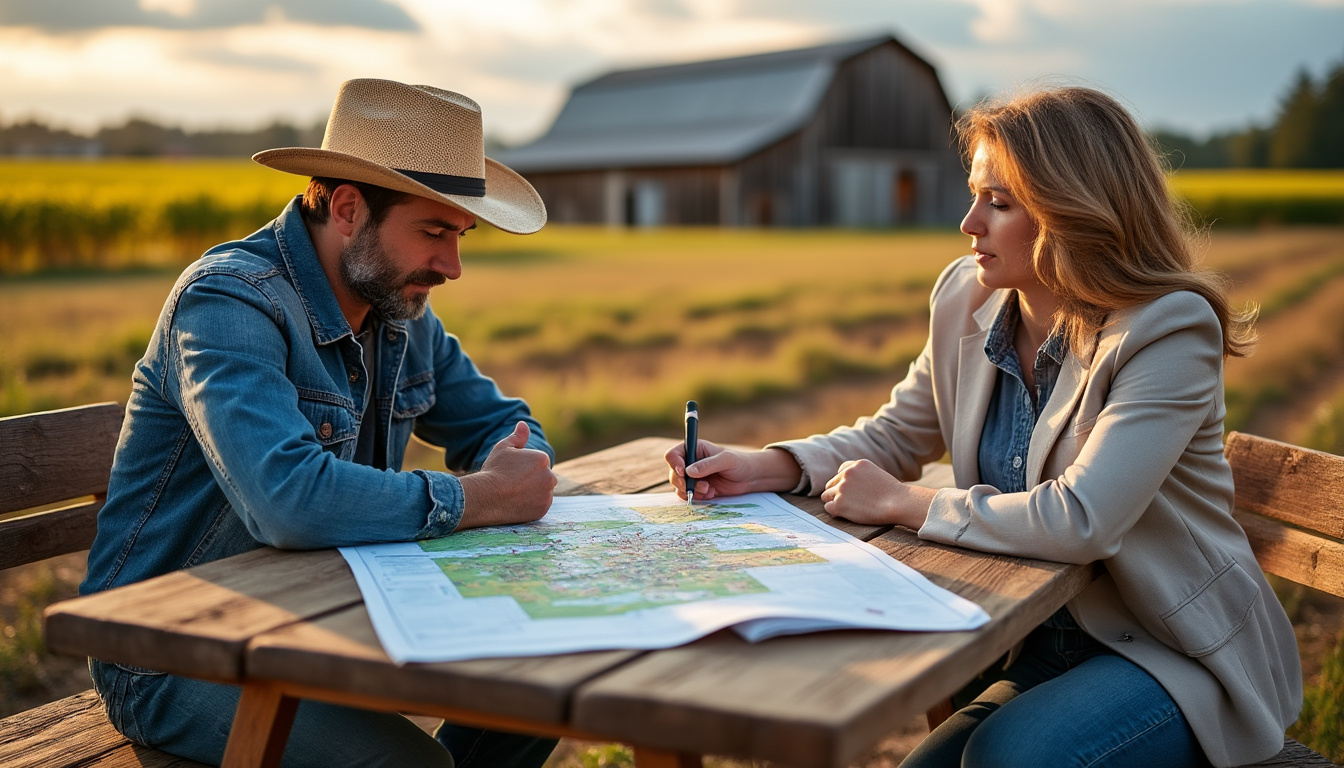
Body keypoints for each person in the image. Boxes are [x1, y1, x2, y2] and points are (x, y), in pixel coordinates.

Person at [666, 86, 1301, 768]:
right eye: (975, 195)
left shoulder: (1167, 329)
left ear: (1073, 210)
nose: (969, 223)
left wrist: (904, 503)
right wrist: (772, 465)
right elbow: (895, 436)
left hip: (1175, 650)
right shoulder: (965, 295)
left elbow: (1083, 520)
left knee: (1009, 758)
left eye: (999, 202)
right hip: (1032, 637)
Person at [80, 79, 559, 768]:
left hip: (322, 620)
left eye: (460, 237)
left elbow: (504, 423)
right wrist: (478, 497)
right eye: (432, 232)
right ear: (346, 207)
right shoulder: (227, 303)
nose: (453, 267)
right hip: (172, 651)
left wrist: (518, 468)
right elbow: (288, 500)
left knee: (536, 687)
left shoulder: (398, 309)